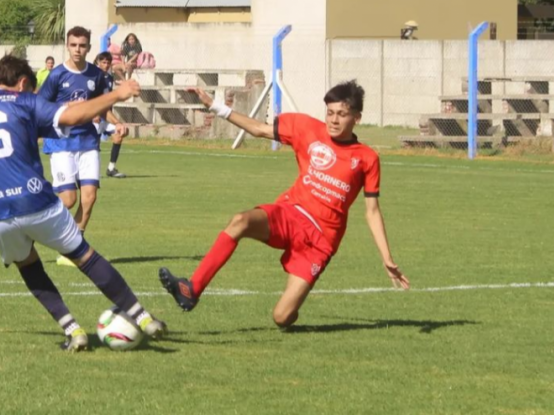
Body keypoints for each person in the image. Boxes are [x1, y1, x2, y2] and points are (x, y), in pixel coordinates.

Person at [0, 55, 165, 351]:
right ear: (24, 83)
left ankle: (73, 330)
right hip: (35, 201)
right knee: (84, 256)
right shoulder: (24, 101)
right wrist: (117, 94)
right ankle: (143, 318)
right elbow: (72, 116)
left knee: (28, 265)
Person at [159, 81, 410, 329]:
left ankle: (291, 313)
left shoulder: (366, 158)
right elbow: (259, 129)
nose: (333, 120)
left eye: (342, 114)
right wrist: (215, 106)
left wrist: (387, 258)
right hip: (291, 214)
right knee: (241, 220)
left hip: (320, 242)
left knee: (282, 317)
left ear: (356, 117)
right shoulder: (307, 128)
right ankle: (192, 289)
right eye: (330, 113)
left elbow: (372, 211)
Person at [38, 26, 128, 265]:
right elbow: (40, 106)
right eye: (74, 45)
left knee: (89, 198)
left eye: (82, 45)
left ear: (89, 47)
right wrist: (64, 110)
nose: (78, 49)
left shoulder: (97, 76)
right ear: (67, 45)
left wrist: (117, 124)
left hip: (88, 142)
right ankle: (34, 222)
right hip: (61, 142)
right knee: (68, 200)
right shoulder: (56, 75)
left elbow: (102, 107)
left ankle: (72, 249)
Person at [94, 51, 128, 178]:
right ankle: (92, 171)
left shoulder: (109, 78)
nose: (106, 65)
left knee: (119, 135)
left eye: (108, 62)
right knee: (93, 145)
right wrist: (95, 113)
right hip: (95, 117)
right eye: (103, 62)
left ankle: (111, 168)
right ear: (98, 62)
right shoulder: (94, 77)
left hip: (106, 116)